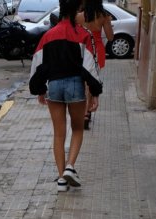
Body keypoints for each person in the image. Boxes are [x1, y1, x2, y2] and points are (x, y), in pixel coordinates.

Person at [29, 0, 102, 192]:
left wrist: (39, 89)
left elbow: (38, 64)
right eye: (82, 11)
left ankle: (62, 179)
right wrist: (95, 92)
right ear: (77, 10)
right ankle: (70, 166)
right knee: (77, 129)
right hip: (75, 86)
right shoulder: (83, 35)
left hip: (54, 86)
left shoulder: (48, 35)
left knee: (59, 134)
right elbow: (90, 67)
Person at [82, 0, 113, 129]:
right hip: (97, 50)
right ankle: (87, 113)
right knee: (92, 82)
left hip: (84, 49)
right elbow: (110, 37)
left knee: (83, 82)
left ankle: (83, 111)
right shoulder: (103, 16)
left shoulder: (80, 16)